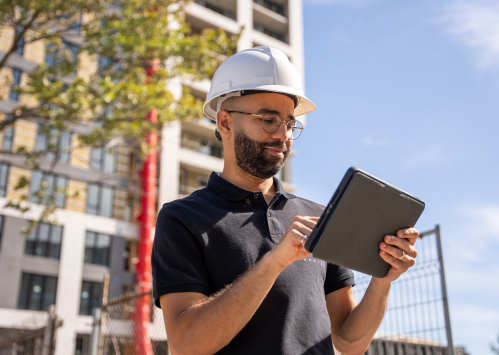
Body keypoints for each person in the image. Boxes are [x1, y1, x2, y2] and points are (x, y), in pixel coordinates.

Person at [152, 46, 419, 355]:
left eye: (290, 123)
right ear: (225, 123)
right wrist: (275, 261)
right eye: (268, 119)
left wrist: (383, 279)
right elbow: (187, 345)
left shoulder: (318, 217)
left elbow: (349, 342)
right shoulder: (182, 218)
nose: (283, 134)